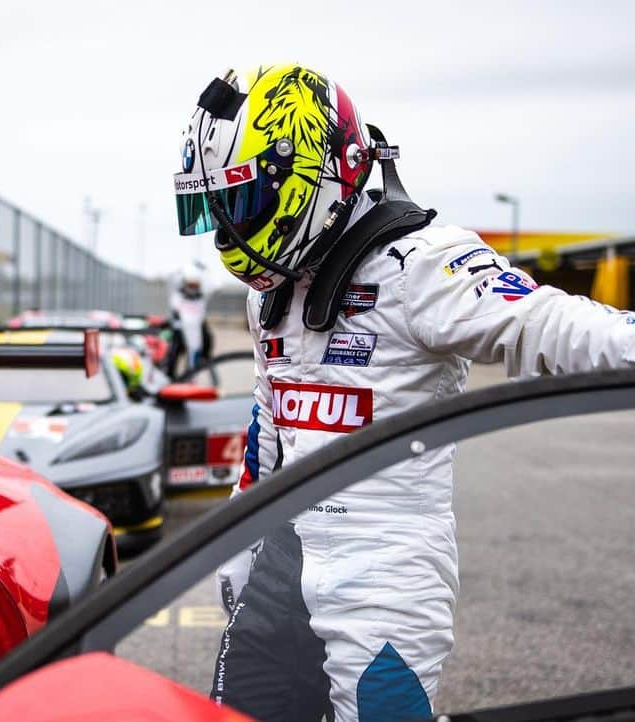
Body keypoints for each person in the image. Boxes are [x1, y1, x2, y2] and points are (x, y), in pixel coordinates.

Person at [172, 63, 635, 722]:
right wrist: (239, 542)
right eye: (216, 203)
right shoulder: (267, 296)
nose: (231, 227)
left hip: (385, 570)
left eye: (243, 202)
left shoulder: (425, 264)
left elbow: (558, 326)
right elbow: (267, 431)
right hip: (282, 555)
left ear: (318, 176)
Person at [164, 260, 214, 378]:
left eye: (195, 285)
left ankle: (200, 362)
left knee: (207, 339)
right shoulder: (177, 296)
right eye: (190, 285)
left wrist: (204, 269)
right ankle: (170, 374)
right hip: (181, 326)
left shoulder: (201, 297)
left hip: (197, 325)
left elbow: (213, 287)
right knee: (175, 346)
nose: (192, 287)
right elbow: (175, 311)